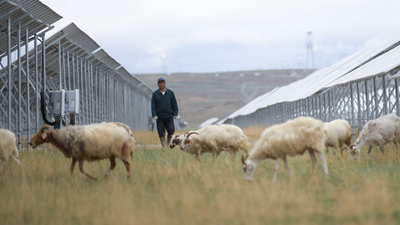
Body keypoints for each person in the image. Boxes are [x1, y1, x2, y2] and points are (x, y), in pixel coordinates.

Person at [151, 77, 179, 148]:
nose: (161, 84)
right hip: (159, 117)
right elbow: (153, 106)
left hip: (169, 116)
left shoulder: (170, 93)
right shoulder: (155, 94)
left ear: (165, 84)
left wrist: (175, 113)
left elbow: (174, 104)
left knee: (171, 130)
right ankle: (164, 145)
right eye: (160, 83)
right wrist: (154, 115)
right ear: (158, 84)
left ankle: (168, 143)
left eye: (162, 83)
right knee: (161, 132)